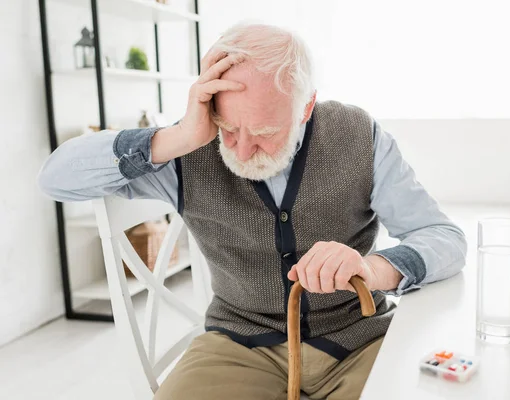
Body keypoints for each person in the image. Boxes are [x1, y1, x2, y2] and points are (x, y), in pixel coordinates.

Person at [38, 22, 467, 400]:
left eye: (264, 131)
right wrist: (177, 137)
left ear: (306, 106)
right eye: (229, 128)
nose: (241, 150)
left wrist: (374, 269)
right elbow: (54, 179)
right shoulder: (188, 147)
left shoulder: (357, 134)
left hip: (359, 341)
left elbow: (443, 237)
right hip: (237, 345)